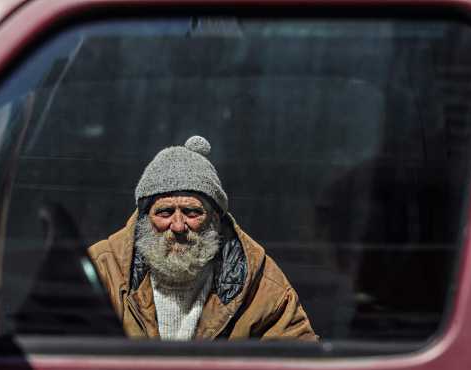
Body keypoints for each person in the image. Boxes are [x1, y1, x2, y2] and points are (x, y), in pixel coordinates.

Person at [88, 136, 317, 341]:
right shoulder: (102, 269)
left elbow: (296, 365)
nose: (178, 226)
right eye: (165, 212)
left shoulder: (260, 280)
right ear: (144, 218)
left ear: (215, 219)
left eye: (192, 212)